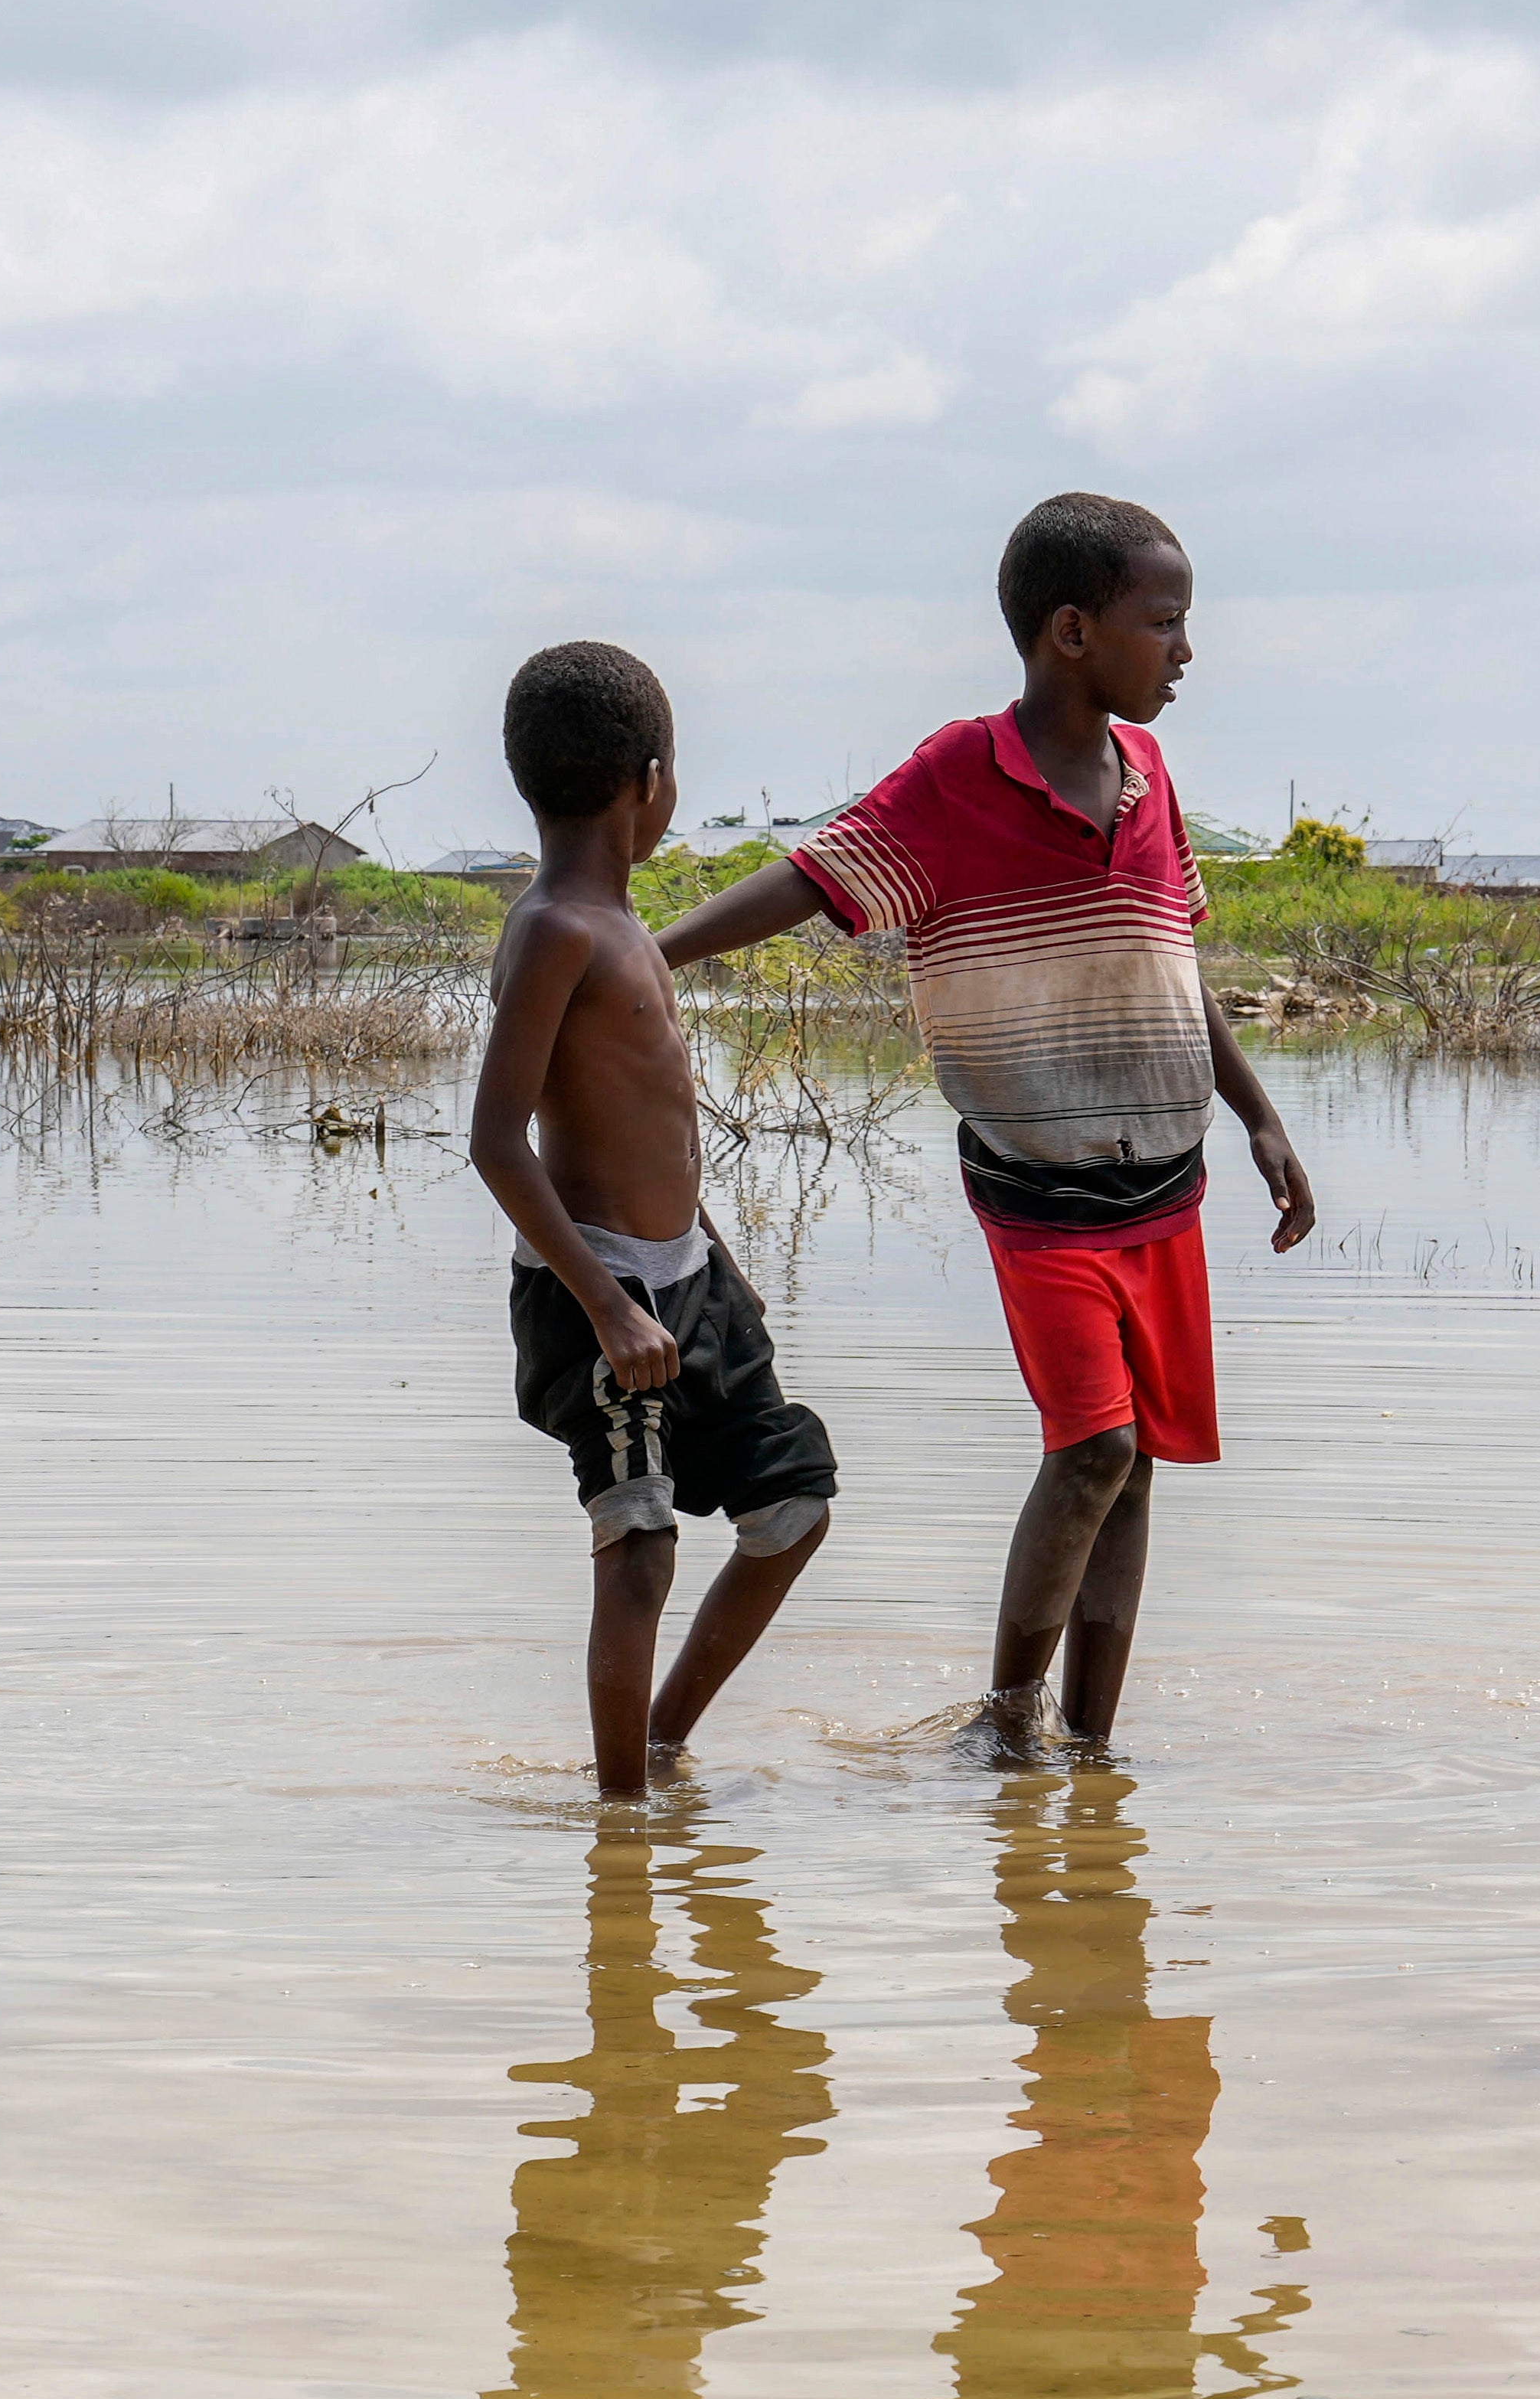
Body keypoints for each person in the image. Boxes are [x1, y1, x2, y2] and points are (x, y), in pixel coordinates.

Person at [652, 494, 1311, 1760]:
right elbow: (811, 877)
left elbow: (1175, 965)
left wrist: (1262, 1120)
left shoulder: (1150, 776)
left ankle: (1092, 1749)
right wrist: (651, 952)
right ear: (1073, 631)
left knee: (1137, 1466)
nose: (1185, 651)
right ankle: (1009, 1730)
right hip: (1038, 1188)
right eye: (1161, 622)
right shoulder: (964, 774)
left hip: (1163, 1183)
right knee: (1092, 1446)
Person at [469, 639, 840, 1802]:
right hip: (602, 1297)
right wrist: (605, 1304)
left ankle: (663, 1743)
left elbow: (652, 1135)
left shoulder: (629, 929)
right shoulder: (555, 932)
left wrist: (718, 1261)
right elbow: (495, 1138)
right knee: (639, 1547)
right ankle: (620, 1815)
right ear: (650, 780)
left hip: (689, 1280)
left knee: (789, 1507)